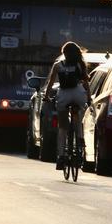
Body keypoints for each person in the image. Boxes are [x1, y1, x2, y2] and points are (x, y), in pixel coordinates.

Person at [44, 42, 91, 170]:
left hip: (64, 95)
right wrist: (89, 98)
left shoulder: (58, 65)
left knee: (62, 127)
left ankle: (61, 157)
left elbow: (50, 83)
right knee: (80, 115)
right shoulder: (79, 64)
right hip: (78, 94)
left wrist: (46, 97)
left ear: (64, 53)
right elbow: (86, 83)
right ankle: (80, 141)